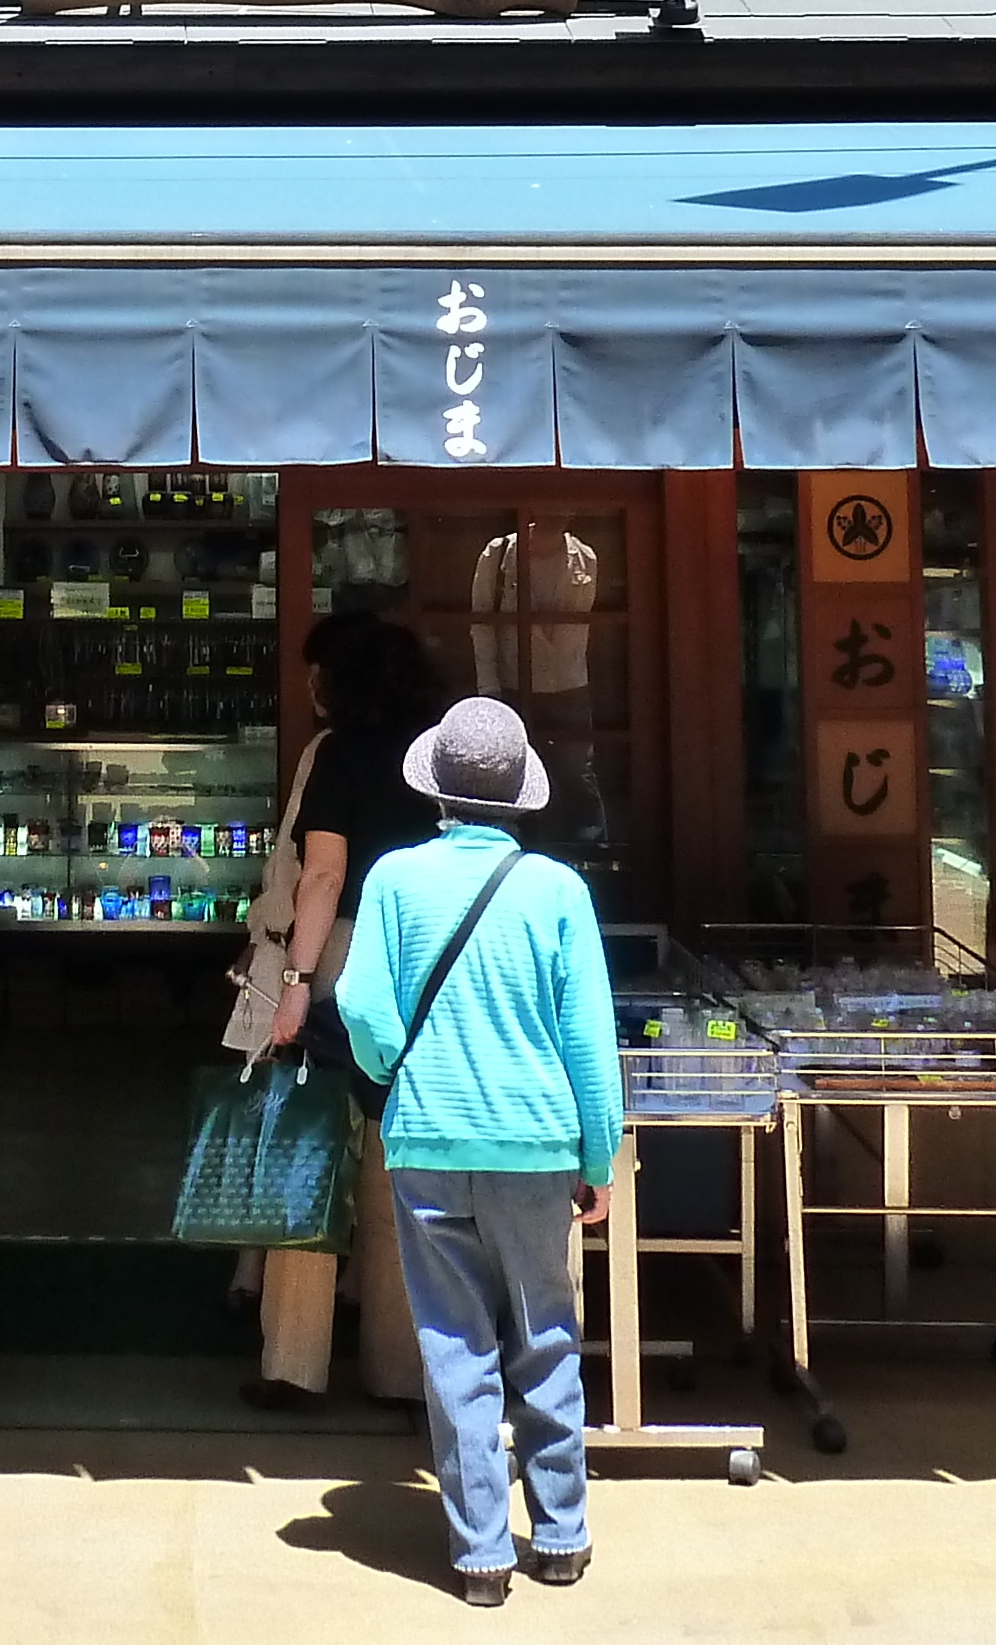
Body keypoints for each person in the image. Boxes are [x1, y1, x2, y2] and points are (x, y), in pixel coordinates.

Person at [337, 696, 622, 1609]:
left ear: (438, 793)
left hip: (426, 1135)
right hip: (539, 1144)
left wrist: (396, 1068)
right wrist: (599, 1158)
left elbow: (366, 1010)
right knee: (544, 1334)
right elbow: (589, 1040)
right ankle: (564, 1534)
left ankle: (480, 1554)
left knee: (454, 1347)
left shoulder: (392, 880)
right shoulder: (559, 892)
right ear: (519, 797)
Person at [246, 608, 445, 1410]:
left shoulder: (338, 755)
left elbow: (321, 878)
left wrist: (295, 984)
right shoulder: (439, 754)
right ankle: (400, 1371)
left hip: (343, 956)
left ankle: (295, 1363)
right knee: (399, 1169)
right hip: (426, 960)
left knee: (311, 1153)